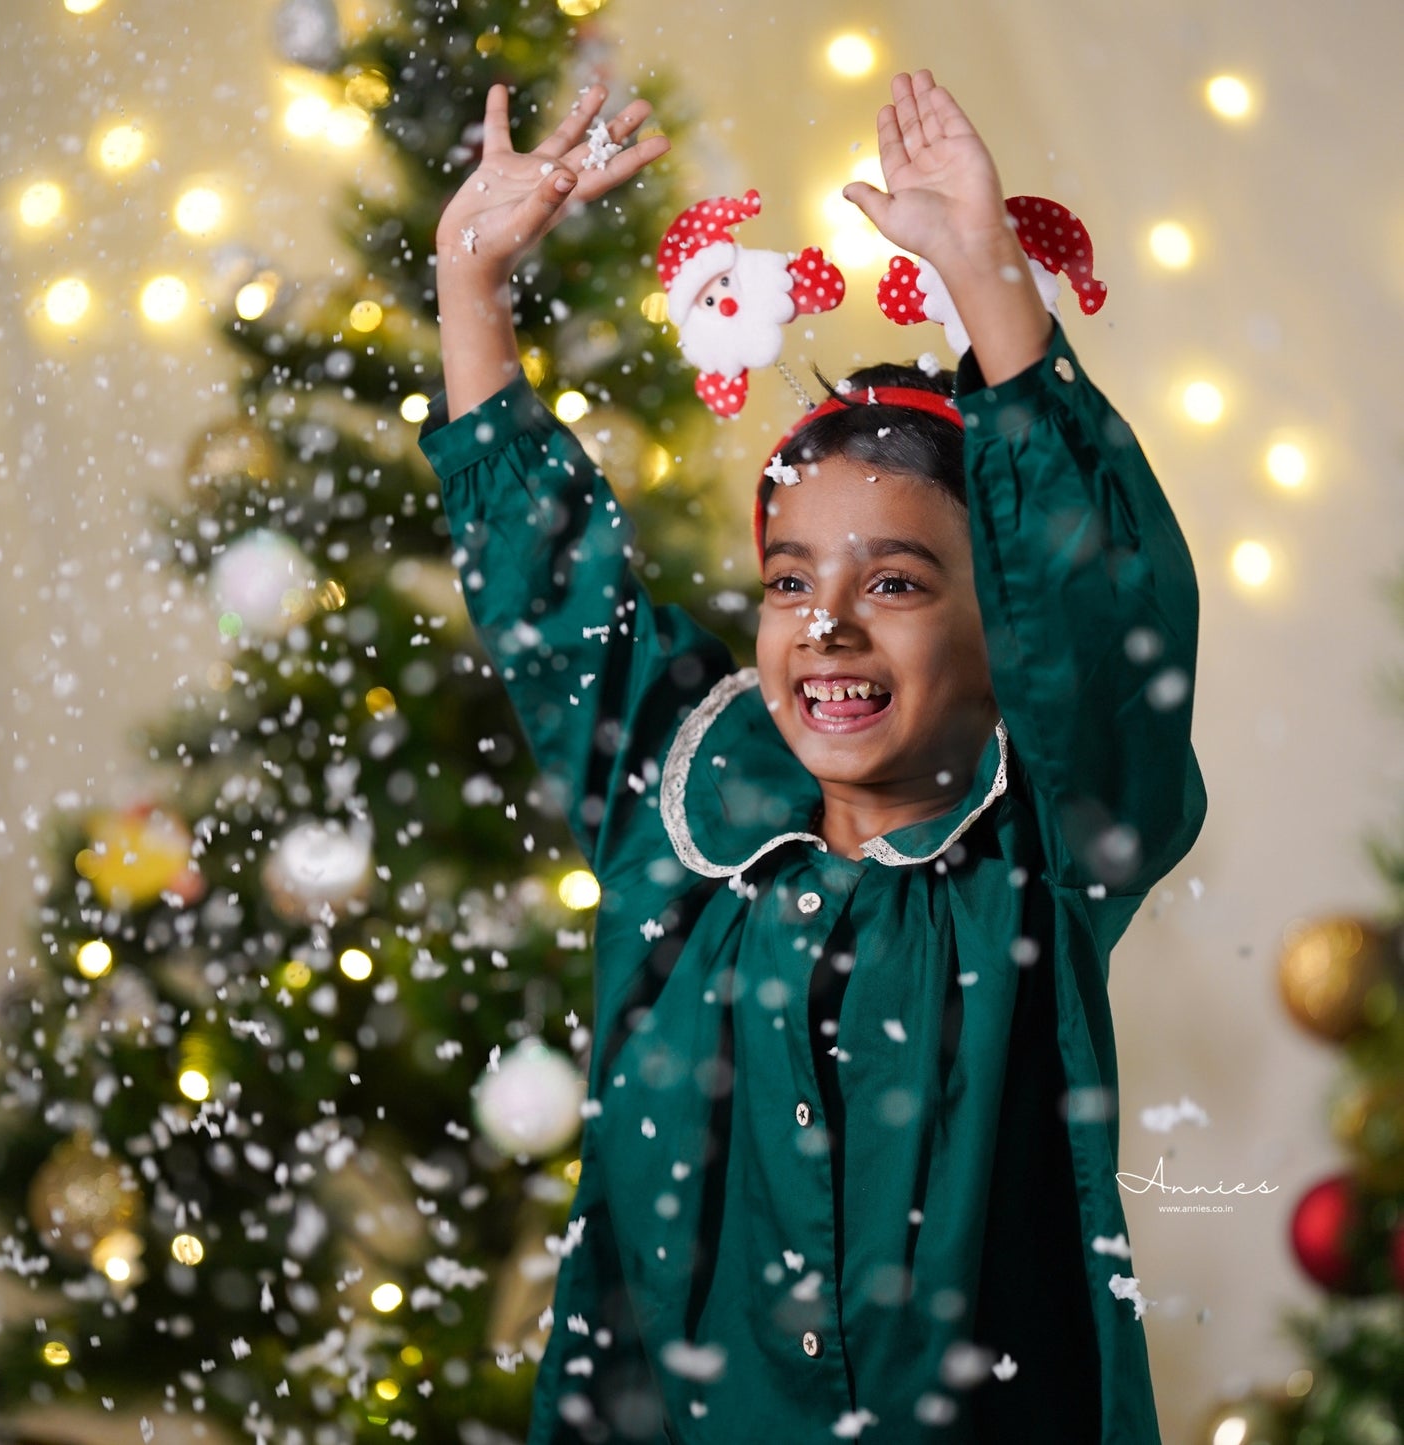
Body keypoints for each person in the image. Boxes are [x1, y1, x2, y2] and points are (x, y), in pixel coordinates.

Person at [421, 67, 1206, 1445]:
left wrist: (985, 275)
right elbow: (550, 587)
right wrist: (471, 290)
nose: (826, 625)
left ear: (1000, 629)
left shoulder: (1049, 846)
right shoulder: (681, 799)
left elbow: (1098, 607)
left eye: (895, 582)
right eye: (790, 580)